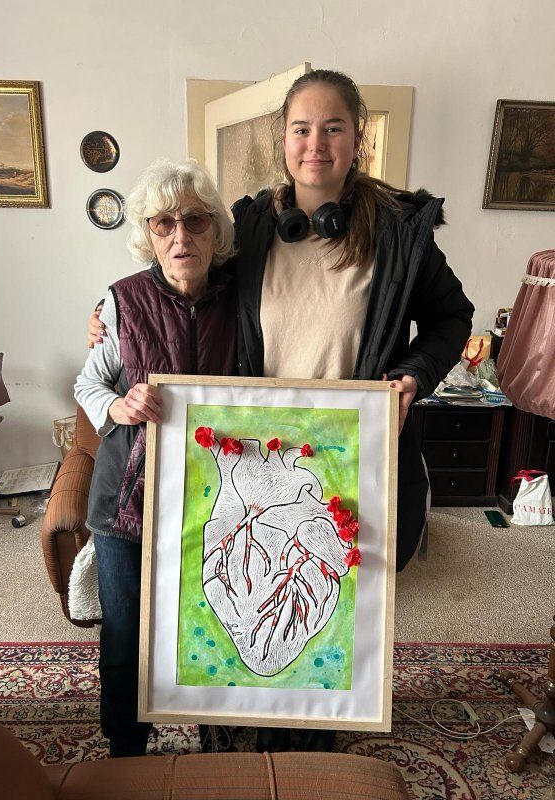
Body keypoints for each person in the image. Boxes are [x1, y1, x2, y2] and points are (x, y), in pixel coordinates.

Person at [89, 69, 474, 752]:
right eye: (301, 128)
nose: (315, 144)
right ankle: (232, 735)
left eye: (333, 128)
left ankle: (313, 752)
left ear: (358, 138)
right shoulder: (251, 226)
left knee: (321, 607)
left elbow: (452, 319)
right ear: (283, 139)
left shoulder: (400, 234)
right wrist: (110, 314)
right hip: (255, 459)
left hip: (341, 459)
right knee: (248, 589)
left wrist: (414, 376)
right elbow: (182, 278)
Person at [75, 158, 237, 757]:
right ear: (148, 233)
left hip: (214, 501)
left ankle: (216, 732)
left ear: (215, 230)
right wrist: (120, 405)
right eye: (163, 223)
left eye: (195, 220)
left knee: (211, 621)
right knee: (126, 635)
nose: (180, 236)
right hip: (129, 500)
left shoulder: (244, 296)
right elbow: (88, 384)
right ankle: (126, 748)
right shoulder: (121, 302)